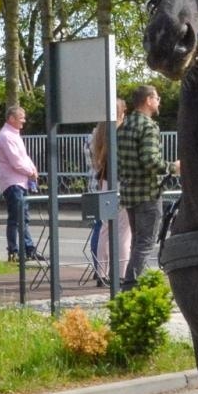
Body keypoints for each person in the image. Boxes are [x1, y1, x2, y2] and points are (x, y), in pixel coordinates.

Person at [118, 84, 176, 289]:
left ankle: (134, 283)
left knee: (137, 242)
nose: (159, 102)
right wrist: (173, 167)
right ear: (148, 100)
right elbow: (150, 161)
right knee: (146, 243)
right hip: (148, 193)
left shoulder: (124, 125)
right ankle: (131, 285)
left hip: (129, 193)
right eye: (157, 98)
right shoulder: (148, 126)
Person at [87, 98, 131, 285]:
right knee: (124, 230)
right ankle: (121, 273)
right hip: (120, 181)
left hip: (104, 181)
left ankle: (101, 272)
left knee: (105, 228)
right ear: (121, 113)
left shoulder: (98, 133)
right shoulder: (121, 133)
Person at [0, 104, 43, 263]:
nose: (24, 121)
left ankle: (28, 249)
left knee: (23, 217)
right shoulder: (6, 136)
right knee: (16, 218)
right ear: (11, 118)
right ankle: (14, 251)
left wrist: (33, 169)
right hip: (12, 182)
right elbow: (16, 161)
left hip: (20, 182)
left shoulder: (14, 135)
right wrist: (30, 172)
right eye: (21, 118)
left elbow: (24, 156)